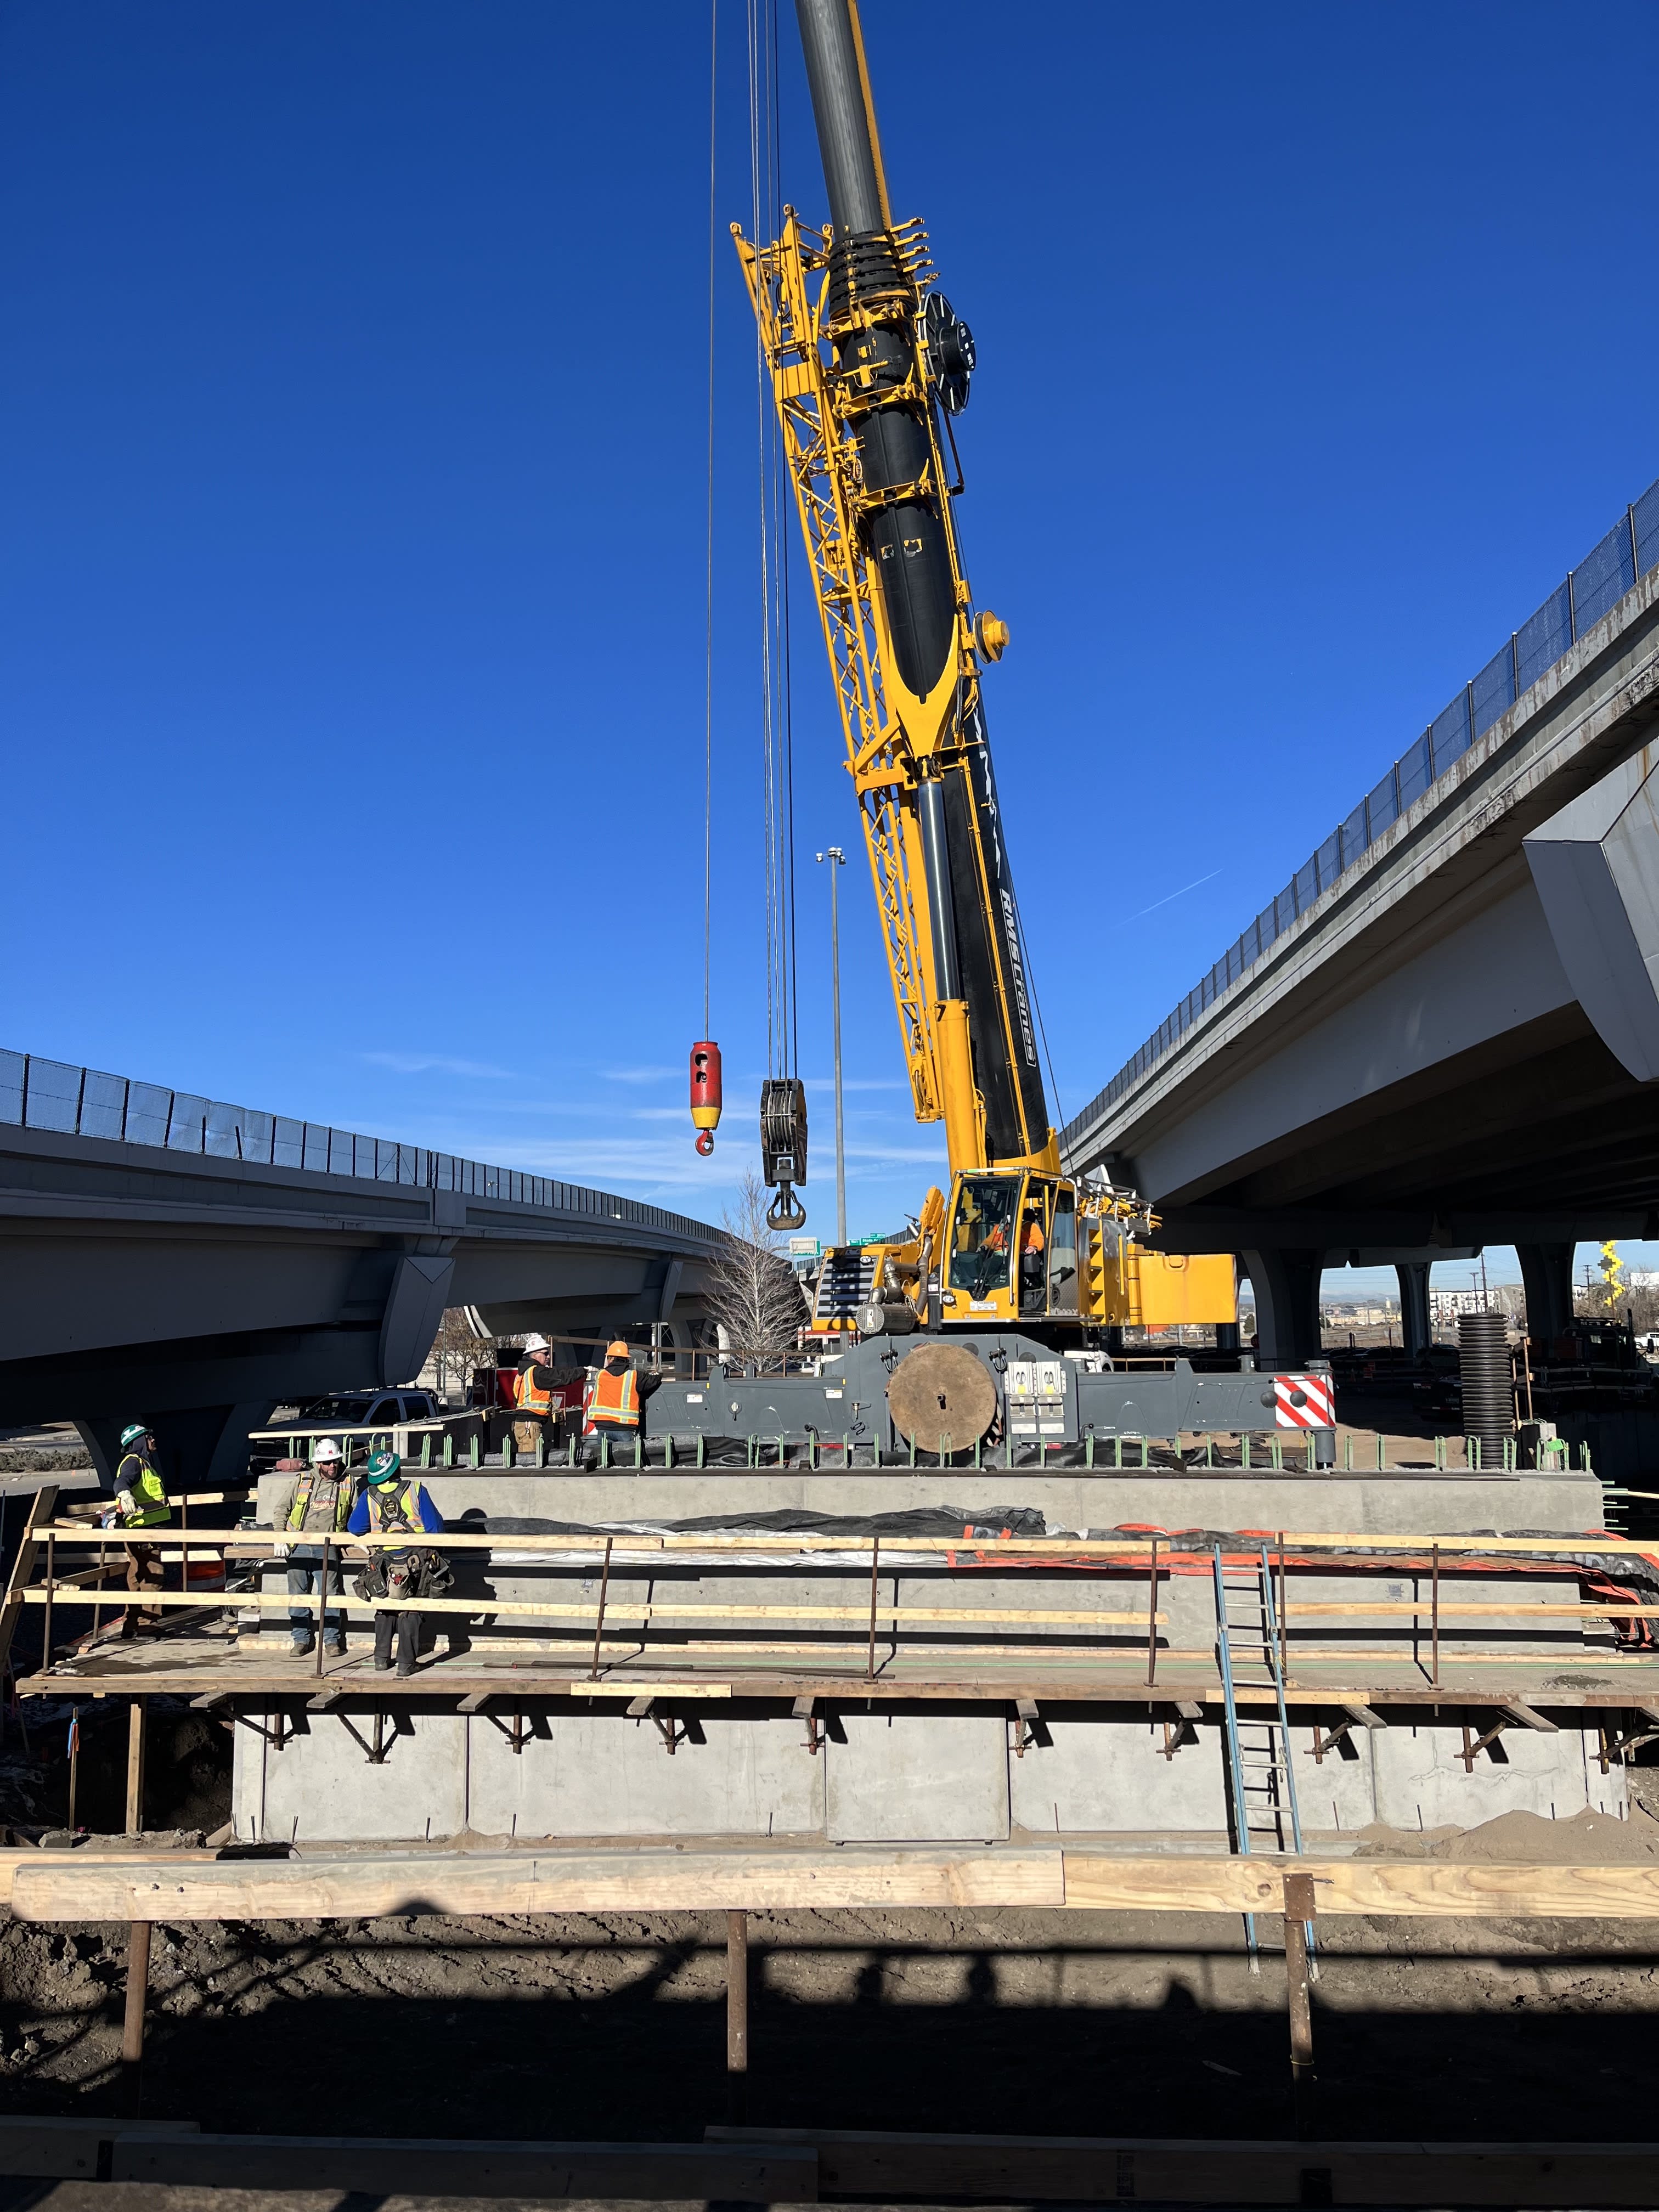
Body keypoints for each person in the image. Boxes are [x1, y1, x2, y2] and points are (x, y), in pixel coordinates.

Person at [347, 1449, 446, 1677]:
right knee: (411, 1609)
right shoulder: (416, 1490)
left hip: (383, 1562)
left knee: (386, 1607)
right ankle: (406, 1663)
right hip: (416, 1560)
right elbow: (435, 1529)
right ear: (397, 1470)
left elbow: (355, 1528)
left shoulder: (369, 1495)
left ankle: (381, 1659)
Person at [272, 1436, 357, 1658]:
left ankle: (331, 1642)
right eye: (328, 1462)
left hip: (327, 1546)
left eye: (336, 1461)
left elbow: (358, 1514)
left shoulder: (348, 1482)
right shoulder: (302, 1481)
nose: (333, 1466)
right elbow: (282, 1509)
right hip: (298, 1545)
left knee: (330, 1596)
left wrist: (360, 1537)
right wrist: (280, 1537)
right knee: (298, 1595)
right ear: (319, 1464)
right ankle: (301, 1640)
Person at [112, 1422, 172, 1638]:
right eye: (148, 1437)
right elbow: (121, 1482)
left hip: (141, 1530)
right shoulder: (133, 1462)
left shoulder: (144, 1463)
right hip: (142, 1531)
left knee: (137, 1576)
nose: (153, 1440)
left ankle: (131, 1626)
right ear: (139, 1442)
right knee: (153, 1575)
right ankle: (147, 1624)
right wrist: (124, 1494)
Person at [581, 1340, 662, 1465]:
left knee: (605, 1463)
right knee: (626, 1462)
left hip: (603, 1428)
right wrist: (658, 1375)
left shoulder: (600, 1375)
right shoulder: (634, 1376)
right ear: (626, 1359)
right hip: (625, 1429)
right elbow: (653, 1381)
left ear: (611, 1358)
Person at [513, 1334, 560, 1457]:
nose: (549, 1356)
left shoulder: (521, 1375)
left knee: (526, 1461)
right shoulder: (536, 1372)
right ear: (535, 1355)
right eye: (545, 1353)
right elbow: (561, 1376)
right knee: (530, 1463)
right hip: (530, 1425)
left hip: (523, 1425)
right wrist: (583, 1370)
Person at [1018, 1208, 1046, 1311]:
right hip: (1002, 1256)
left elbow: (1040, 1240)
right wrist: (984, 1246)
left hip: (1021, 1256)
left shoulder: (1031, 1227)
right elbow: (990, 1240)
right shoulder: (1000, 1227)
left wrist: (1034, 1247)